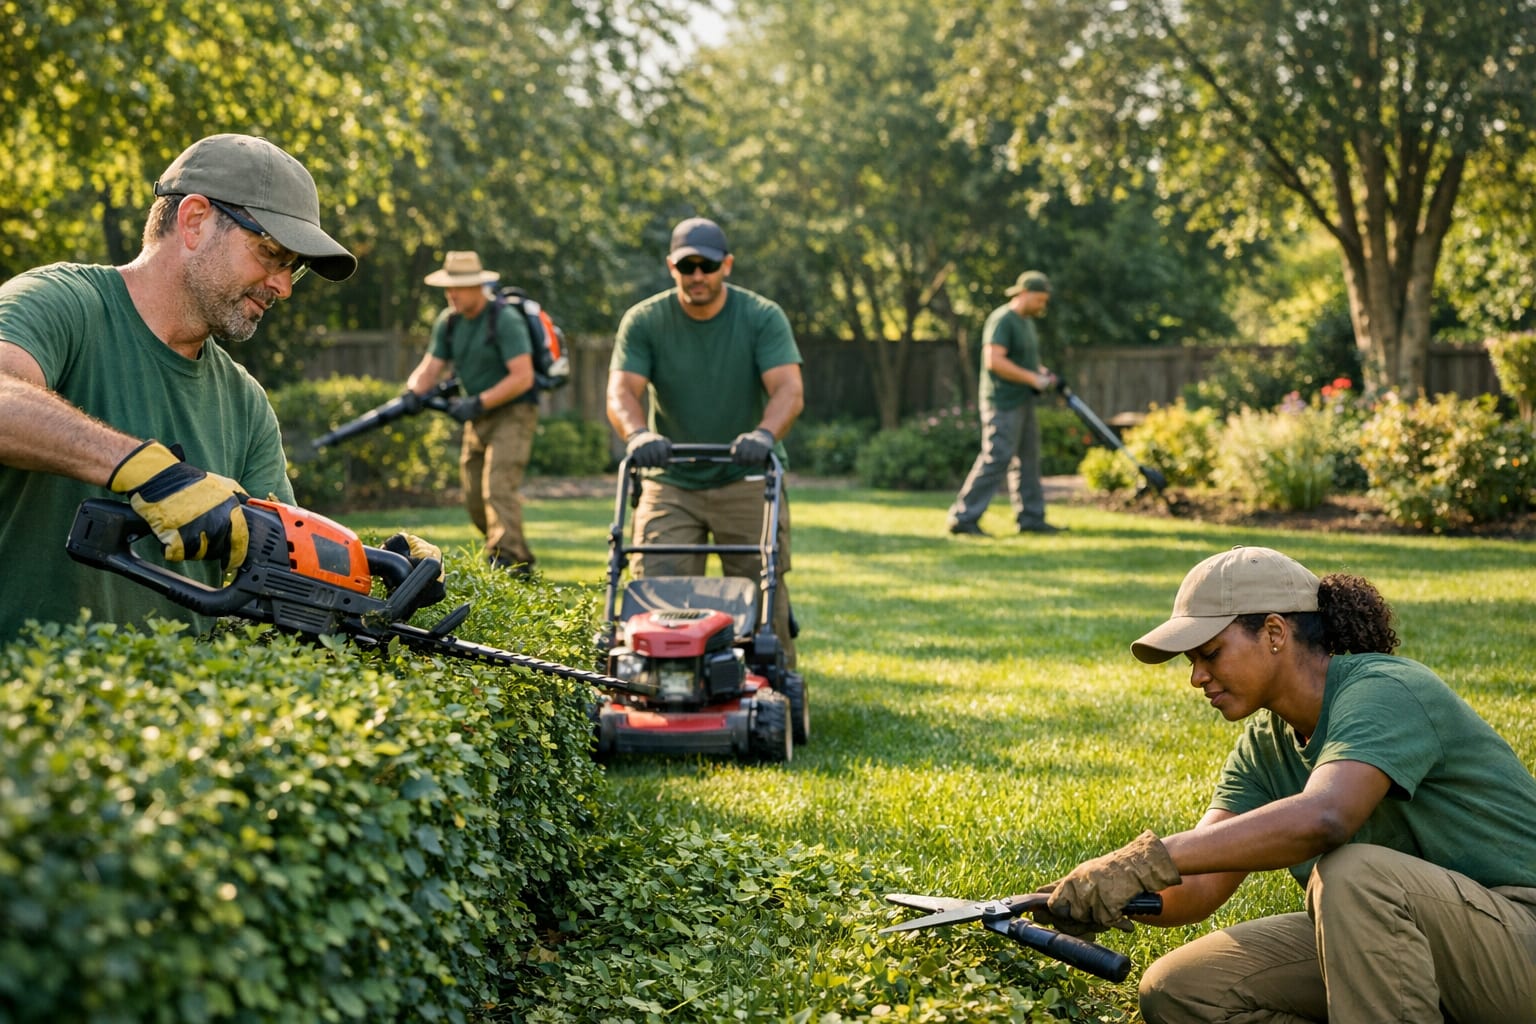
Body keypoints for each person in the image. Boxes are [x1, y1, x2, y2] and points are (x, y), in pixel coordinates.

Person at [1033, 545, 1536, 1022]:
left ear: (1274, 632)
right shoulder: (1265, 743)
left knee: (1354, 872)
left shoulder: (1386, 691)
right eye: (1192, 662)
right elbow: (1201, 884)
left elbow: (1325, 817)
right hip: (1405, 942)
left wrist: (1146, 858)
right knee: (1180, 989)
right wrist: (1105, 893)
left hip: (1520, 941)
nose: (1196, 677)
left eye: (1210, 653)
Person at [0, 133, 357, 644]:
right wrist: (146, 471)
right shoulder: (61, 303)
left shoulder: (245, 402)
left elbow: (288, 555)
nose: (284, 286)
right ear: (194, 220)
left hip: (175, 717)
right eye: (272, 254)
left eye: (292, 267)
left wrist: (368, 564)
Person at [606, 217, 804, 667]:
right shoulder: (645, 320)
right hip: (671, 478)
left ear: (726, 266)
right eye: (687, 266)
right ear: (671, 267)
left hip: (748, 477)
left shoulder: (761, 317)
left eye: (707, 266)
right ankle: (662, 679)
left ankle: (772, 682)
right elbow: (621, 392)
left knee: (762, 590)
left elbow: (789, 391)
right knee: (657, 589)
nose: (698, 276)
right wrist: (638, 434)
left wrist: (763, 435)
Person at [403, 251, 538, 574]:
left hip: (514, 411)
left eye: (459, 286)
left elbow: (523, 377)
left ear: (479, 286)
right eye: (449, 286)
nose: (452, 293)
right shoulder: (449, 321)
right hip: (477, 415)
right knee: (474, 494)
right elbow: (430, 367)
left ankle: (510, 562)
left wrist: (477, 402)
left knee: (497, 485)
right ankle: (508, 551)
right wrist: (412, 393)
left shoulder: (504, 319)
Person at [946, 270, 1064, 536]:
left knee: (1029, 460)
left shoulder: (1026, 323)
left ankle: (1031, 517)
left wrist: (1042, 374)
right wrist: (1032, 379)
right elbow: (994, 361)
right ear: (1023, 294)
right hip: (1002, 402)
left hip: (1023, 400)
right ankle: (963, 516)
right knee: (997, 457)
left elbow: (1025, 361)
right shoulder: (1003, 320)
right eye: (1039, 300)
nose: (1042, 306)